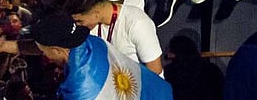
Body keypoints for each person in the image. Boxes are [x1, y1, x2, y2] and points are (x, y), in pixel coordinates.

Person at [30, 12, 172, 99]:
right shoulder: (93, 43)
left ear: (56, 49)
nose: (45, 56)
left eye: (43, 52)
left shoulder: (78, 89)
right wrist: (7, 46)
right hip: (159, 92)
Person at [64, 0, 164, 76]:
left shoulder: (137, 23)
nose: (78, 25)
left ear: (96, 13)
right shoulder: (93, 25)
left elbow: (155, 71)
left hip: (142, 88)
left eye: (80, 21)